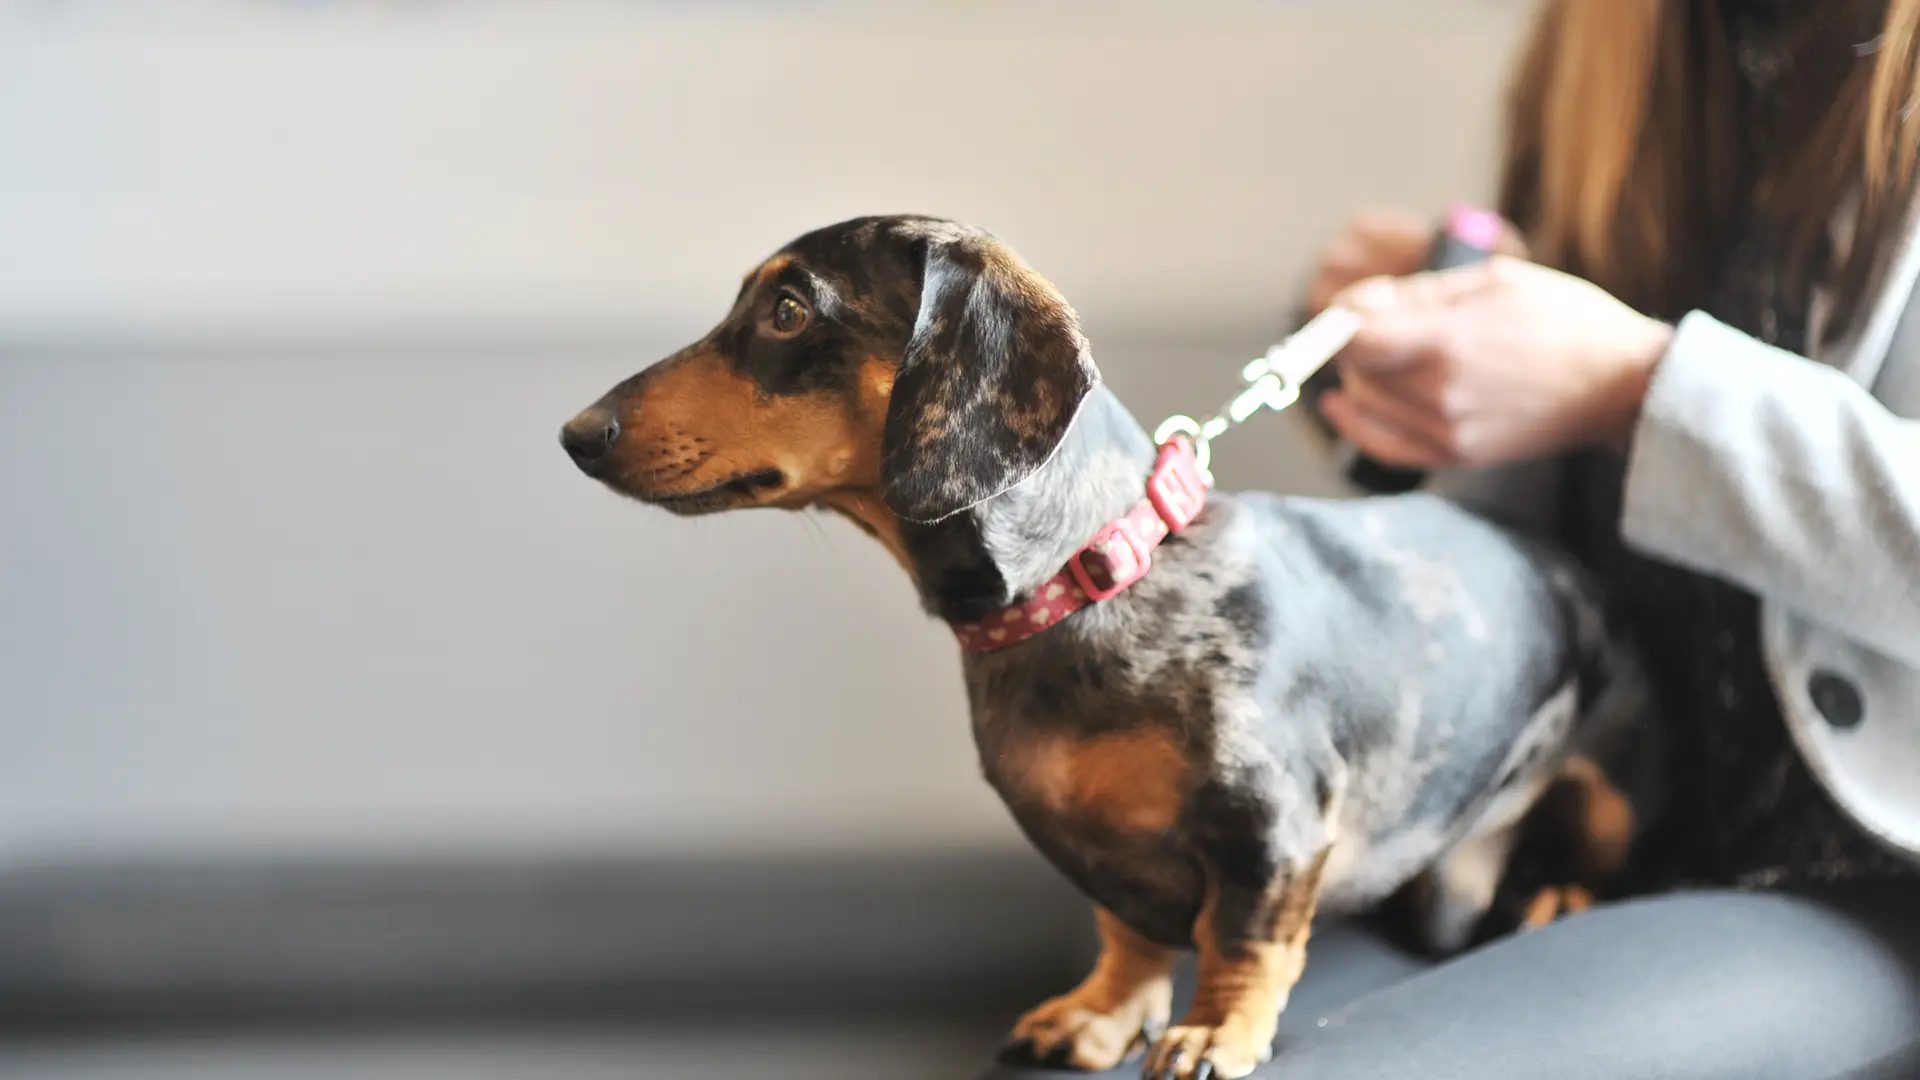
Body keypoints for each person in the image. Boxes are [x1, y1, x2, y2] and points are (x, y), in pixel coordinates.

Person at [984, 1, 1920, 1077]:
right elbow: (1529, 553)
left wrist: (1641, 388)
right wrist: (1430, 384)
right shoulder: (1618, 50)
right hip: (1542, 806)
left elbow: (1631, 403)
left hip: (1865, 870)